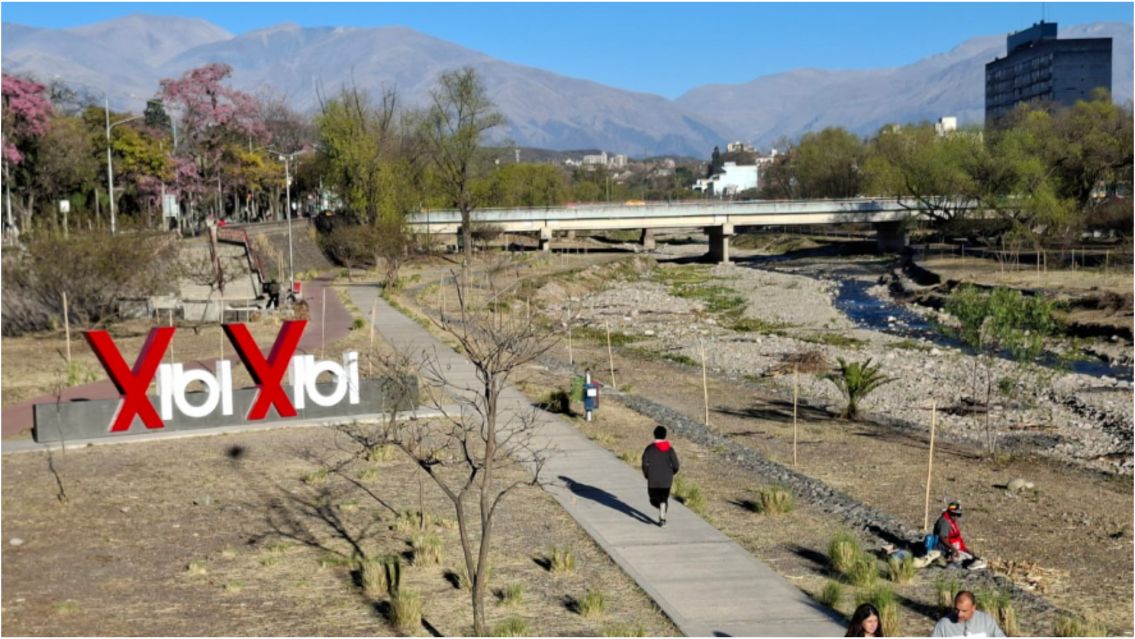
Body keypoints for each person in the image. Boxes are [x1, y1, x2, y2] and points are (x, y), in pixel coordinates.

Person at [641, 425, 680, 527]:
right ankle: (662, 512)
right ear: (665, 435)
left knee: (653, 499)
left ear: (654, 435)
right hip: (666, 479)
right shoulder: (670, 450)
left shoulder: (649, 449)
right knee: (663, 497)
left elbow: (645, 463)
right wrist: (672, 473)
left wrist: (646, 473)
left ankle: (661, 506)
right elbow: (676, 465)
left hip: (653, 478)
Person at [934, 501, 985, 568]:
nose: (957, 517)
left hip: (954, 548)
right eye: (956, 514)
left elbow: (956, 539)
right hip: (945, 550)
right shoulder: (945, 522)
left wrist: (966, 549)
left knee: (974, 557)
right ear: (952, 513)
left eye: (958, 515)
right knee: (966, 560)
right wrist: (953, 549)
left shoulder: (951, 521)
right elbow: (942, 538)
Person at [932, 590, 1005, 637]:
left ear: (973, 608)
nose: (959, 614)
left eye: (964, 611)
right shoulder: (943, 625)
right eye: (957, 610)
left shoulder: (987, 622)